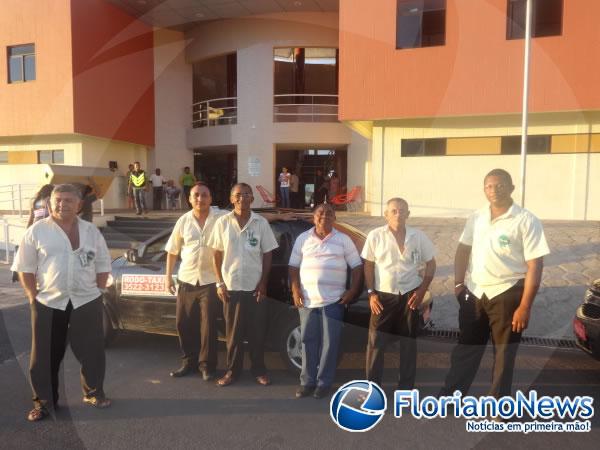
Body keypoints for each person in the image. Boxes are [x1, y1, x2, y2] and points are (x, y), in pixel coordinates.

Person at [440, 169, 549, 399]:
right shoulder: (477, 217)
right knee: (466, 349)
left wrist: (525, 306)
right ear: (484, 190)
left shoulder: (526, 220)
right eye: (489, 186)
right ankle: (451, 397)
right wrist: (459, 284)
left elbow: (535, 266)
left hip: (508, 294)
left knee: (503, 355)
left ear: (511, 188)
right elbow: (463, 249)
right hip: (475, 293)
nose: (494, 190)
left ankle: (500, 405)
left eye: (500, 186)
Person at [11, 184, 112, 422]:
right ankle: (44, 403)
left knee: (93, 352)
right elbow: (25, 268)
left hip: (86, 300)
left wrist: (98, 291)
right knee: (44, 356)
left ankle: (94, 393)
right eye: (57, 200)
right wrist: (32, 296)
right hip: (49, 302)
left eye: (68, 200)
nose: (61, 204)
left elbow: (103, 264)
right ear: (49, 203)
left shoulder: (91, 232)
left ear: (79, 205)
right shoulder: (37, 231)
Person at [207, 183, 279, 387]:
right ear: (231, 199)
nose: (242, 198)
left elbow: (267, 254)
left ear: (252, 199)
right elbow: (216, 255)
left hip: (255, 287)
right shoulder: (222, 223)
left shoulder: (260, 223)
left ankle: (259, 370)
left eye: (246, 195)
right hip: (230, 287)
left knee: (257, 332)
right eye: (238, 195)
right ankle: (232, 371)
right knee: (233, 333)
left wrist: (263, 283)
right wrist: (219, 283)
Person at [289, 203, 363, 399]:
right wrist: (295, 290)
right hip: (307, 300)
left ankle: (324, 383)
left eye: (329, 213)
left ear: (334, 218)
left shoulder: (343, 240)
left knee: (330, 343)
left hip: (334, 301)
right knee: (308, 341)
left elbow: (357, 267)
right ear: (314, 217)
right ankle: (307, 382)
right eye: (320, 213)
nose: (324, 216)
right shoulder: (303, 239)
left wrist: (352, 290)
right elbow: (293, 267)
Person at [362, 198, 436, 389]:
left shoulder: (418, 236)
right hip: (382, 297)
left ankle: (406, 389)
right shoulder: (375, 235)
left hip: (410, 296)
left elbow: (431, 263)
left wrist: (421, 290)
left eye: (402, 211)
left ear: (408, 214)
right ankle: (373, 389)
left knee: (408, 345)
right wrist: (371, 293)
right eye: (393, 211)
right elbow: (368, 265)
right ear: (386, 214)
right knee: (376, 343)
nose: (398, 214)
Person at [165, 182, 225, 381]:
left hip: (210, 281)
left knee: (208, 326)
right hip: (187, 280)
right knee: (184, 324)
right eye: (196, 195)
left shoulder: (221, 218)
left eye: (205, 195)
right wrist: (168, 278)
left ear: (211, 198)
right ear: (190, 199)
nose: (200, 199)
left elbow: (246, 216)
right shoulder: (183, 220)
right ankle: (188, 362)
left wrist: (279, 215)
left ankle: (207, 366)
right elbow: (172, 251)